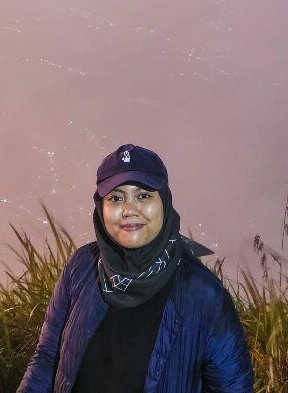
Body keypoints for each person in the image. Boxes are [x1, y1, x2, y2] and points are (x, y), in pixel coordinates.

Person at [17, 143, 253, 393]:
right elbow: (47, 359)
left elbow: (232, 387)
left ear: (164, 202)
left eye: (143, 196)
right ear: (101, 207)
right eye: (116, 198)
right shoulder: (81, 266)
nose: (129, 210)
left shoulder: (203, 294)